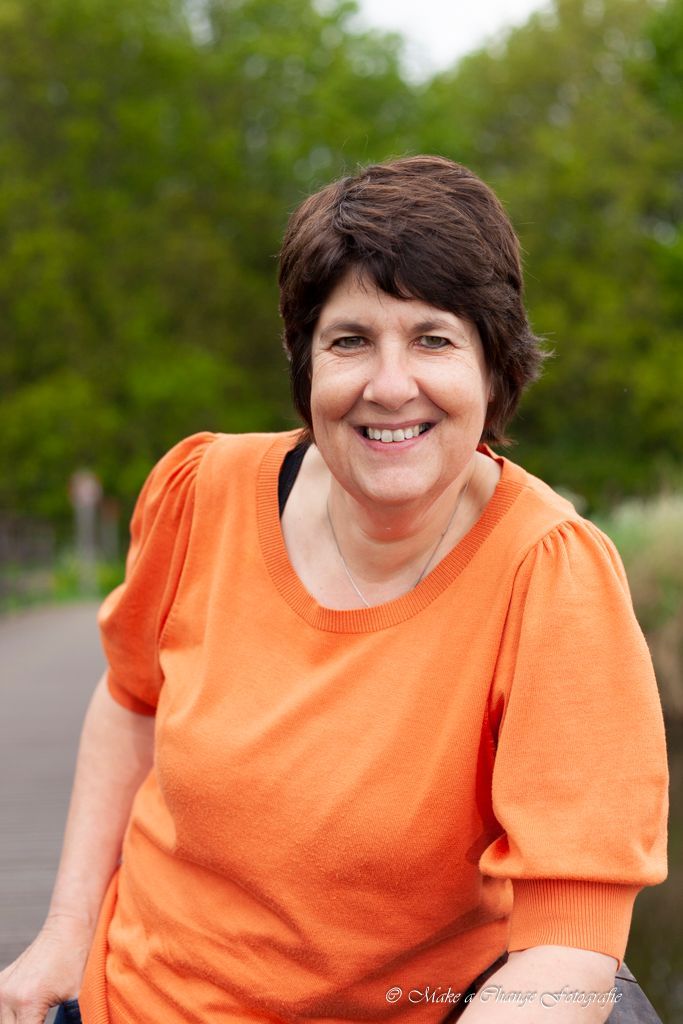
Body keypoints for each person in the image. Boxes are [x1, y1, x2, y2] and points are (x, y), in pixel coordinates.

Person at [0, 156, 668, 1024]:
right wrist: (62, 930)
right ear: (305, 362)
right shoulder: (202, 491)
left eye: (432, 339)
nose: (390, 386)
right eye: (350, 340)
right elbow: (131, 703)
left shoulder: (549, 574)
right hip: (132, 998)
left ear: (493, 367)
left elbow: (568, 952)